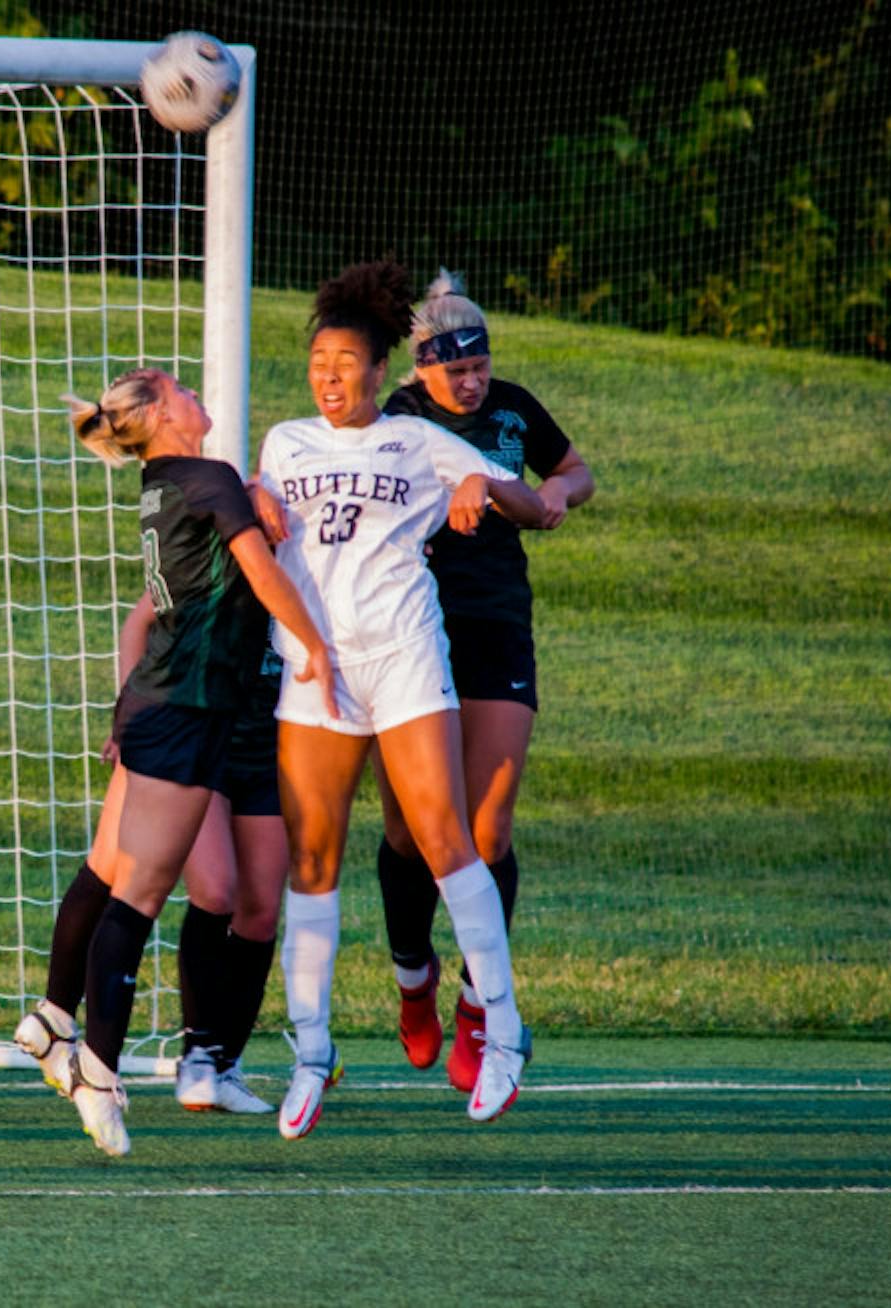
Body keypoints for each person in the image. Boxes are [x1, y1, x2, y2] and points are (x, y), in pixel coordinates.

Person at [252, 260, 548, 1139]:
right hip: (317, 674)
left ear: (381, 369)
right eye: (319, 363)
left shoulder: (420, 440)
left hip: (408, 659)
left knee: (446, 839)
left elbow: (535, 505)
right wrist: (260, 501)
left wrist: (479, 484)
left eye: (346, 362)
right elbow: (256, 516)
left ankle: (501, 1032)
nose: (330, 376)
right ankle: (311, 1054)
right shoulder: (284, 442)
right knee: (313, 863)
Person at [47, 368, 333, 1157]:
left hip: (166, 703)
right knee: (137, 896)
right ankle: (97, 1076)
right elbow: (262, 571)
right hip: (187, 707)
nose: (198, 396)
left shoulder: (165, 479)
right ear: (164, 415)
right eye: (182, 390)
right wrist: (315, 647)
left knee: (114, 875)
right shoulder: (202, 476)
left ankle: (57, 1029)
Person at [372, 271, 594, 1091]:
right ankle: (411, 981)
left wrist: (559, 490)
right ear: (419, 367)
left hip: (497, 619)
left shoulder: (513, 407)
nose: (472, 382)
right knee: (409, 831)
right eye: (454, 370)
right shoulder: (395, 421)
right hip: (409, 626)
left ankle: (476, 1005)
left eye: (480, 366)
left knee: (488, 830)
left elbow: (574, 471)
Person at [13, 594, 288, 1117]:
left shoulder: (312, 547)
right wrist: (130, 711)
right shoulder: (228, 544)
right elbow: (140, 622)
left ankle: (221, 1063)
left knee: (260, 909)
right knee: (208, 886)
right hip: (197, 732)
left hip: (272, 740)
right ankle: (193, 1055)